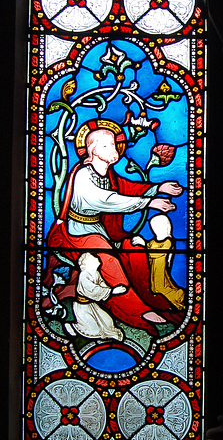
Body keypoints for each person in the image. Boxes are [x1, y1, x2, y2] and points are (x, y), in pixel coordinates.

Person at [45, 121, 185, 334]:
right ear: (92, 150)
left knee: (135, 252)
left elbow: (127, 188)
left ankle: (152, 296)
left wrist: (158, 188)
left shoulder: (107, 174)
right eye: (106, 146)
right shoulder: (83, 175)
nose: (115, 149)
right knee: (108, 260)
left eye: (114, 144)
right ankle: (136, 312)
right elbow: (106, 200)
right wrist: (149, 202)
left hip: (98, 231)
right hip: (76, 234)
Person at [65, 252, 125, 341]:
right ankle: (72, 327)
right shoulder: (84, 275)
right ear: (87, 263)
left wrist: (109, 291)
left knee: (108, 322)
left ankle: (112, 333)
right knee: (93, 329)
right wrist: (112, 291)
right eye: (93, 258)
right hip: (82, 307)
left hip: (92, 305)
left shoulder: (95, 273)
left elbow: (101, 284)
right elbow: (92, 290)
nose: (97, 258)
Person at [132, 214, 185, 311]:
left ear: (166, 227)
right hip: (153, 270)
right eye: (154, 227)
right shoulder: (152, 242)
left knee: (163, 288)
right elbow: (150, 250)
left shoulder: (168, 242)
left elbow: (156, 254)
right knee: (155, 288)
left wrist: (144, 244)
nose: (156, 229)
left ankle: (179, 299)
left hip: (161, 270)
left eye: (158, 226)